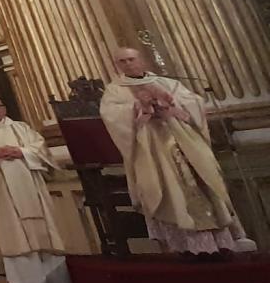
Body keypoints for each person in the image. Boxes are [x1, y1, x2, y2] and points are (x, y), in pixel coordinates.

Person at [100, 48, 251, 256]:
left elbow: (195, 102)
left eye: (131, 59)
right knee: (167, 189)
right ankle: (187, 248)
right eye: (122, 61)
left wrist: (172, 103)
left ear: (141, 60)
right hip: (153, 148)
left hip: (184, 142)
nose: (128, 64)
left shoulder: (168, 83)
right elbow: (112, 117)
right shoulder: (115, 90)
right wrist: (139, 106)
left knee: (205, 178)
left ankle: (220, 243)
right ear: (116, 65)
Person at [0, 97, 73, 283]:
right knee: (15, 234)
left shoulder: (21, 128)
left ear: (4, 108)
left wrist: (21, 151)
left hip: (30, 183)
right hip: (1, 186)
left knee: (45, 232)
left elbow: (40, 148)